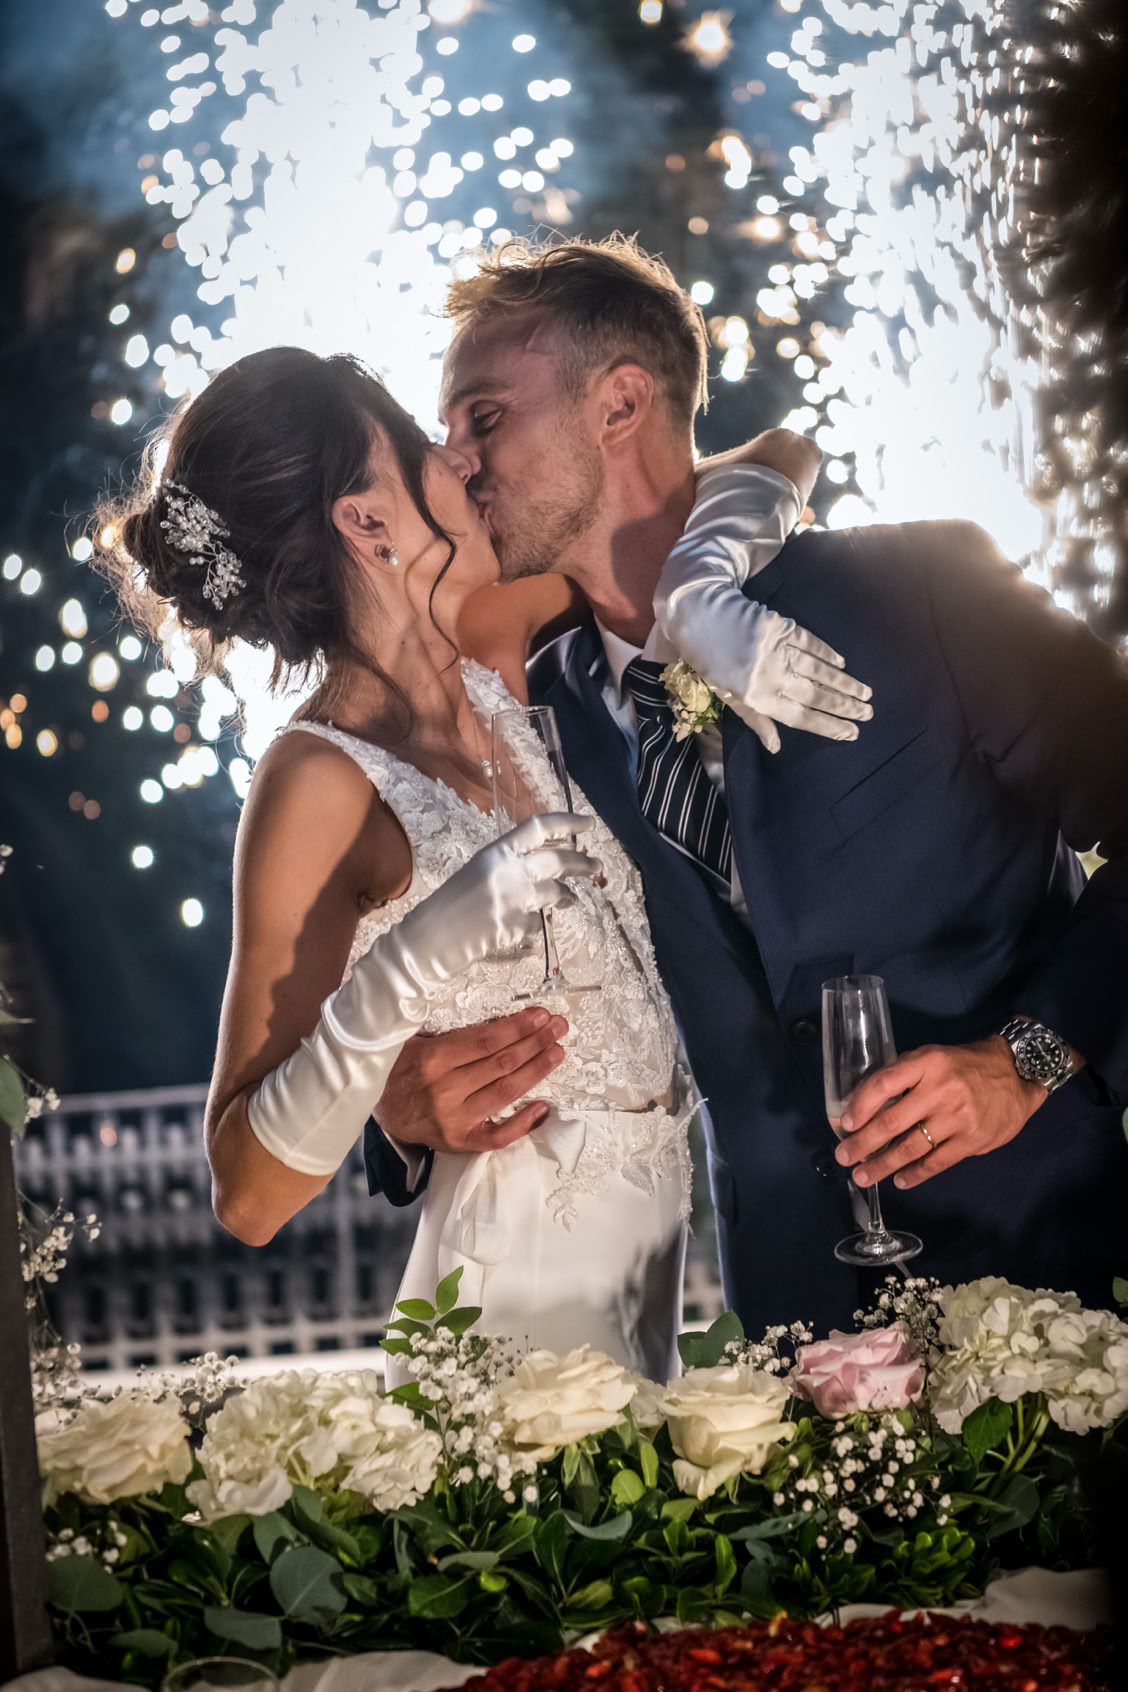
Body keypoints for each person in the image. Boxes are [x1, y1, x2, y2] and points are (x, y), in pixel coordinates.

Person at [366, 234, 1128, 1336]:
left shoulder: (923, 590)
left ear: (621, 403)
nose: (458, 462)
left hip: (1057, 1272)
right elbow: (465, 980)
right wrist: (394, 1107)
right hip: (793, 1327)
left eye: (484, 417)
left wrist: (1028, 1057)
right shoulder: (530, 725)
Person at [95, 346, 865, 1378]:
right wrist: (396, 983)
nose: (461, 460)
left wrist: (699, 593)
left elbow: (778, 452)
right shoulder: (317, 780)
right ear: (367, 521)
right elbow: (247, 1194)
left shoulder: (503, 649)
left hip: (652, 1311)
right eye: (422, 445)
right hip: (500, 1344)